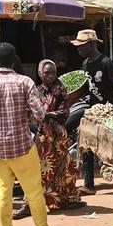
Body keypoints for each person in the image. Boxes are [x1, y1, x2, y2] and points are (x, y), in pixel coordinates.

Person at [0, 42, 67, 226]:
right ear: (14, 61)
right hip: (23, 146)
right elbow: (40, 114)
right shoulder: (25, 82)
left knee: (3, 194)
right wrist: (25, 117)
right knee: (34, 192)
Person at [69, 29, 113, 194]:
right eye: (78, 46)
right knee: (86, 143)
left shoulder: (106, 62)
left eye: (82, 46)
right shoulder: (85, 65)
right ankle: (89, 184)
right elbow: (85, 89)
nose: (78, 49)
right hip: (93, 111)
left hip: (107, 111)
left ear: (93, 44)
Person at [29, 59, 83, 212]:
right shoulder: (37, 90)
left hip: (58, 134)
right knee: (45, 167)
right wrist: (40, 116)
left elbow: (64, 112)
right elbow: (33, 113)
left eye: (53, 72)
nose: (50, 75)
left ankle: (69, 199)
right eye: (46, 73)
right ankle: (51, 200)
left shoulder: (61, 89)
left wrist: (45, 114)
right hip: (43, 135)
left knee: (63, 166)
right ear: (40, 73)